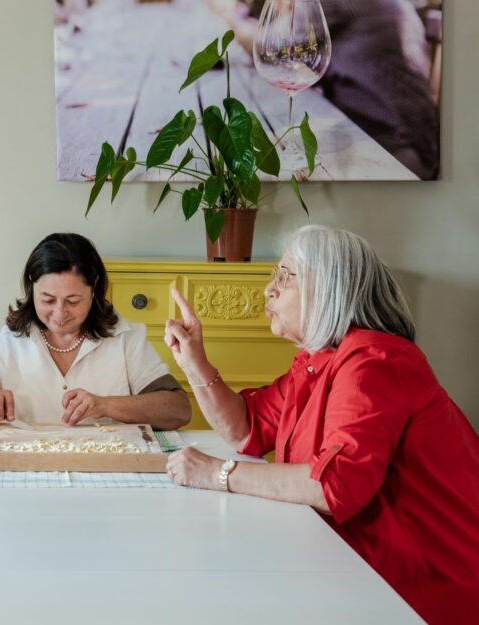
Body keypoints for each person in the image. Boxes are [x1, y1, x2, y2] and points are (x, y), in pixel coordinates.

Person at [163, 224, 479, 625]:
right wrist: (193, 360)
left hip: (422, 591)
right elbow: (245, 428)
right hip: (359, 573)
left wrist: (217, 473)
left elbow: (333, 488)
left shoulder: (374, 361)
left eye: (285, 277)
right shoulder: (320, 359)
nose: (269, 290)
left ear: (330, 286)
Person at [0, 233, 190, 429]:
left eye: (73, 301)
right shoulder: (7, 342)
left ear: (94, 289)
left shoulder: (125, 338)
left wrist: (105, 406)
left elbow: (178, 410)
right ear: (32, 288)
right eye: (48, 300)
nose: (60, 314)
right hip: (30, 473)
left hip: (108, 472)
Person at [207, 0, 440, 179]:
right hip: (374, 128)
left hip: (398, 145)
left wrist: (229, 16)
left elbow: (274, 45)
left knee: (277, 176)